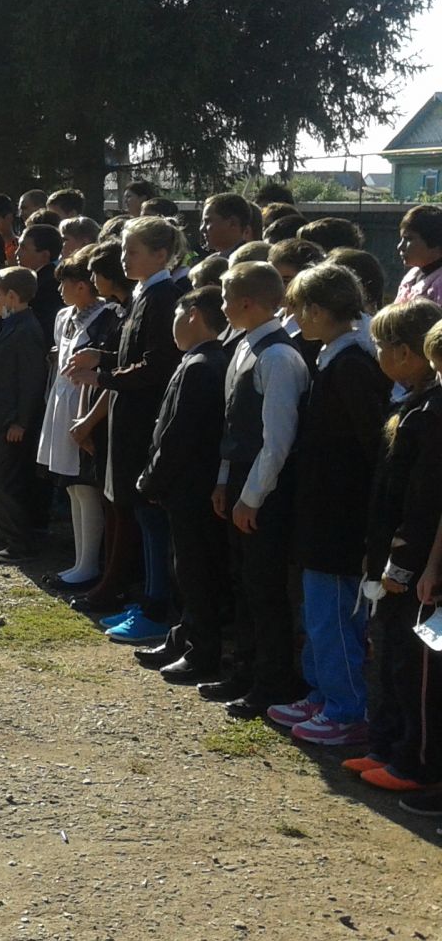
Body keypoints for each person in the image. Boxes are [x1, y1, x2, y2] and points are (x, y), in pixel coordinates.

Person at [269, 264, 389, 745]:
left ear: (319, 310)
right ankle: (321, 693)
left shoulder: (353, 365)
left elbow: (374, 445)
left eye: (299, 308)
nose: (295, 318)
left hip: (341, 517)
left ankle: (346, 709)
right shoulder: (332, 356)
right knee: (317, 611)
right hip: (321, 511)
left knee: (334, 616)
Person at [64, 217, 184, 643]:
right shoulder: (143, 294)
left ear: (161, 255)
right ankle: (148, 596)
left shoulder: (163, 296)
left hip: (145, 420)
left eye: (133, 251)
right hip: (128, 417)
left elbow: (157, 364)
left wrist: (104, 376)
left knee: (149, 515)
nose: (125, 259)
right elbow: (133, 352)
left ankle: (155, 605)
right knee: (137, 511)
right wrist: (101, 355)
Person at [205, 261, 311, 718]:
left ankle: (273, 681)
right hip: (240, 480)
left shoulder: (279, 357)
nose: (222, 307)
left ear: (246, 302)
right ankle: (244, 670)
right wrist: (224, 481)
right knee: (244, 582)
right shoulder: (245, 345)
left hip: (266, 489)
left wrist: (251, 497)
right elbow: (235, 423)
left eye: (226, 299)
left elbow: (277, 441)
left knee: (265, 588)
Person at [354, 301, 442, 794]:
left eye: (382, 345)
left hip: (416, 567)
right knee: (389, 659)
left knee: (413, 668)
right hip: (393, 556)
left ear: (407, 352)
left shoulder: (432, 414)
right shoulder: (413, 405)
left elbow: (424, 502)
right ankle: (385, 746)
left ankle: (412, 761)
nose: (377, 354)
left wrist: (402, 565)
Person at [134, 287, 230, 682]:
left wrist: (152, 478)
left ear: (193, 315)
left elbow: (179, 435)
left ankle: (201, 652)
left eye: (177, 315)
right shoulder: (197, 360)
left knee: (195, 571)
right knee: (185, 569)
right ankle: (184, 635)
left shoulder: (203, 365)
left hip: (192, 487)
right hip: (186, 486)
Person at [37, 249, 113, 588]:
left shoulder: (108, 316)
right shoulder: (63, 316)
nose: (59, 290)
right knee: (71, 485)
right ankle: (79, 561)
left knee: (86, 485)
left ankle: (89, 564)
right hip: (61, 400)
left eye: (64, 283)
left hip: (85, 403)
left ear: (82, 285)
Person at [0, 266, 48, 561]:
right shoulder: (12, 325)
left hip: (13, 422)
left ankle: (18, 541)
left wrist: (20, 421)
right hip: (0, 418)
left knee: (4, 480)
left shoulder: (27, 329)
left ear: (11, 296)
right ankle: (2, 532)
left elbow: (30, 380)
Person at [17, 223, 63, 331]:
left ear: (45, 255)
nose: (17, 253)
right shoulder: (36, 280)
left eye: (23, 248)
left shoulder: (47, 286)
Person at [395, 205, 442, 306]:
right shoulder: (411, 277)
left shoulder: (439, 284)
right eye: (402, 239)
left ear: (433, 241)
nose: (400, 246)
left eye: (409, 239)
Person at [200, 192, 257, 258]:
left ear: (233, 223)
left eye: (208, 221)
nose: (202, 229)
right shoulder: (213, 259)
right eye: (203, 222)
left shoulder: (250, 259)